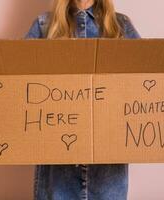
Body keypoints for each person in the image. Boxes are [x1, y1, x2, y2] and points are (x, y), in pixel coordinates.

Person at [25, 0, 140, 199]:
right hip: (58, 170)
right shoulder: (44, 25)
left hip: (108, 173)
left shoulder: (121, 25)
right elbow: (15, 84)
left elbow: (148, 82)